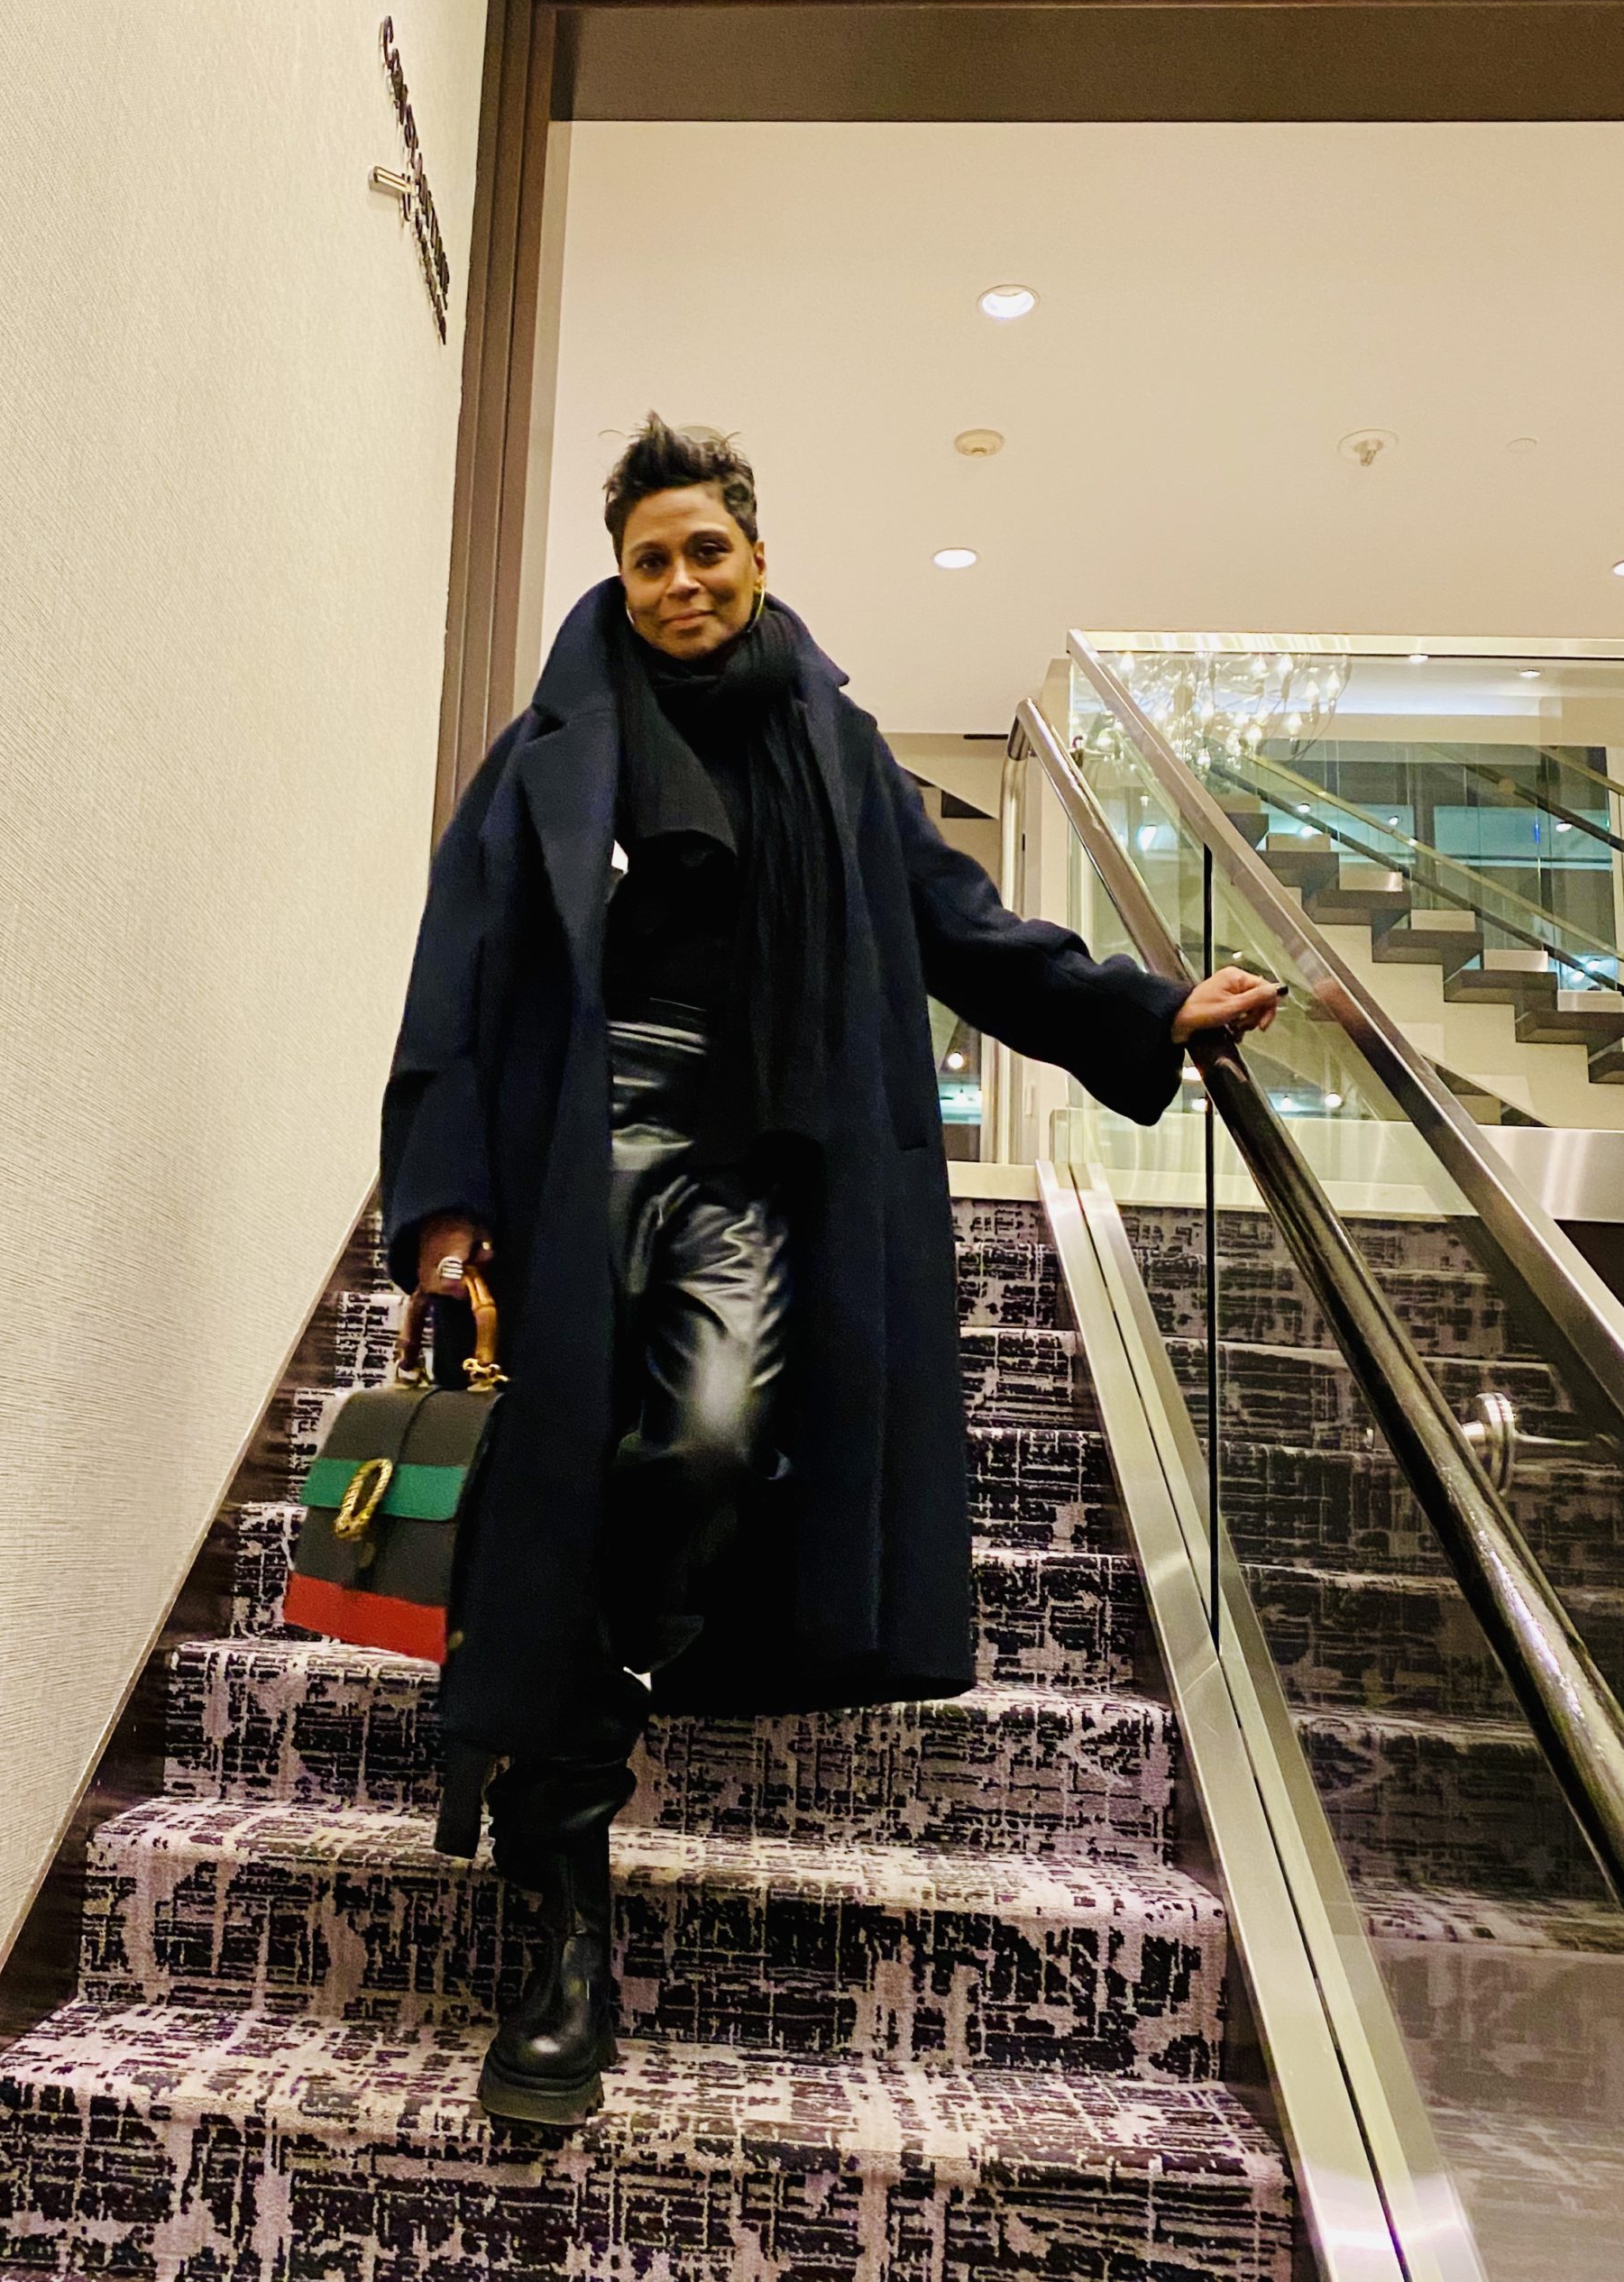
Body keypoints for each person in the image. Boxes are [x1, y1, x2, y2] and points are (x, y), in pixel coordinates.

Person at [380, 414, 1279, 2127]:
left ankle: (586, 1686)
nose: (680, 581)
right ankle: (566, 1926)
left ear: (757, 557)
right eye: (649, 559)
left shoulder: (836, 747)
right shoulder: (549, 748)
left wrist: (1145, 1010)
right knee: (566, 1486)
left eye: (705, 550)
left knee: (702, 1449)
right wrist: (444, 1206)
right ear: (620, 577)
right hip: (582, 1151)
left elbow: (960, 924)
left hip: (751, 1158)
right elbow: (460, 975)